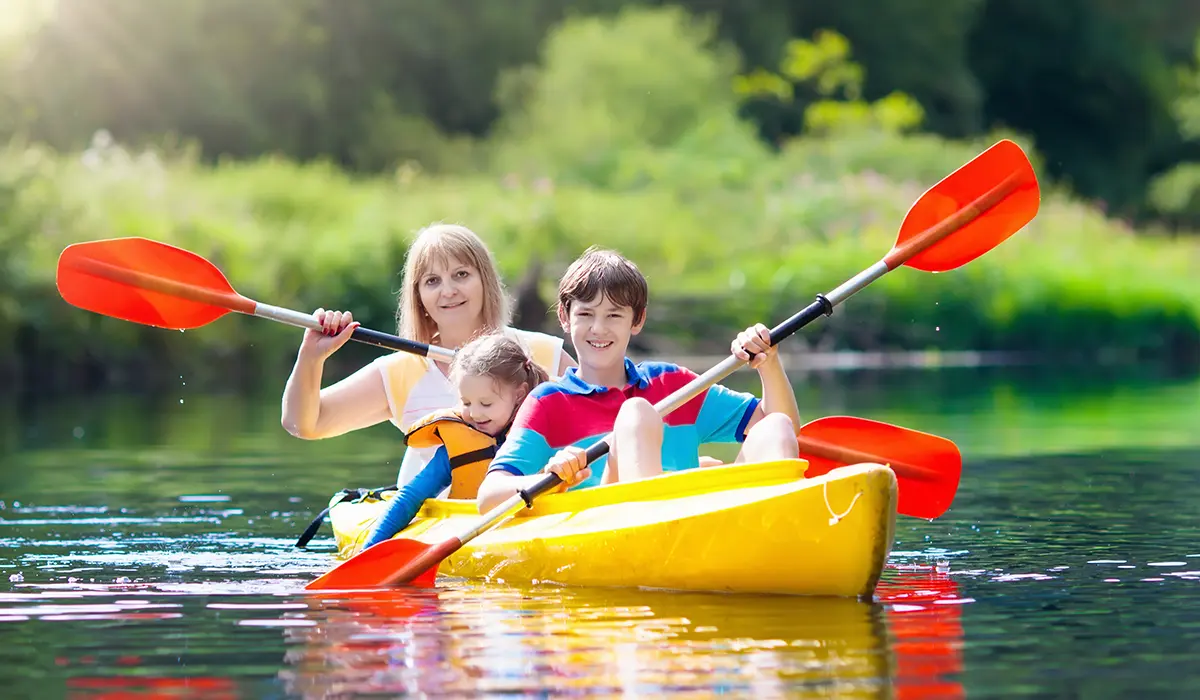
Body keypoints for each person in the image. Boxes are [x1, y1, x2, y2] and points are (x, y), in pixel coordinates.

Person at [476, 247, 801, 512]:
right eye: (585, 314)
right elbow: (488, 495)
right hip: (616, 530)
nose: (598, 329)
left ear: (638, 320)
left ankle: (776, 534)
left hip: (697, 526)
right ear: (564, 317)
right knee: (636, 414)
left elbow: (782, 430)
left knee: (775, 426)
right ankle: (656, 525)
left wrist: (768, 363)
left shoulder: (672, 383)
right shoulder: (548, 402)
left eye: (614, 315)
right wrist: (549, 476)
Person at [280, 223, 575, 488]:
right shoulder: (400, 372)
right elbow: (303, 423)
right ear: (418, 297)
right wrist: (311, 358)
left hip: (533, 507)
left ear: (485, 282)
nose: (448, 291)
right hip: (437, 523)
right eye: (432, 281)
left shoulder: (541, 353)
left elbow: (608, 410)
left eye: (461, 275)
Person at [359, 334, 549, 548]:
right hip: (474, 534)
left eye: (486, 403)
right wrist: (369, 548)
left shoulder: (544, 433)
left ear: (520, 394)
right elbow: (411, 496)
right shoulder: (456, 446)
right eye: (466, 402)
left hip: (540, 526)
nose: (475, 413)